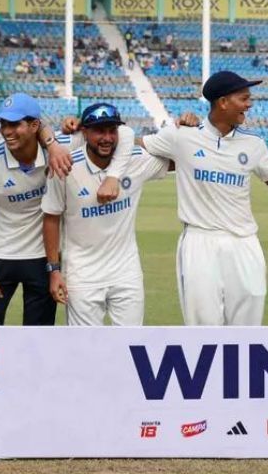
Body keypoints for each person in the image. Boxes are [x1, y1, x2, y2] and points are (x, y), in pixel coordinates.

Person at [0, 94, 134, 326]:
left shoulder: (60, 149)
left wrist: (55, 144)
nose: (6, 131)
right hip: (0, 255)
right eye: (3, 124)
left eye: (14, 124)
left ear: (35, 125)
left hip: (42, 259)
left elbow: (124, 133)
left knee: (39, 337)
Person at [140, 72, 268, 325]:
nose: (250, 104)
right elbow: (137, 144)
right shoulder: (181, 136)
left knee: (248, 329)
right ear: (223, 102)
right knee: (204, 329)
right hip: (200, 241)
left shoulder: (254, 144)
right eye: (244, 98)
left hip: (244, 242)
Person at [41, 103, 171, 326]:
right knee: (85, 349)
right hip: (82, 275)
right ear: (84, 132)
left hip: (126, 273)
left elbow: (180, 159)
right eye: (99, 131)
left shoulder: (134, 159)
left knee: (130, 345)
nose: (107, 138)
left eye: (112, 131)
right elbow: (51, 219)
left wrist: (187, 127)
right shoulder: (64, 166)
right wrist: (54, 271)